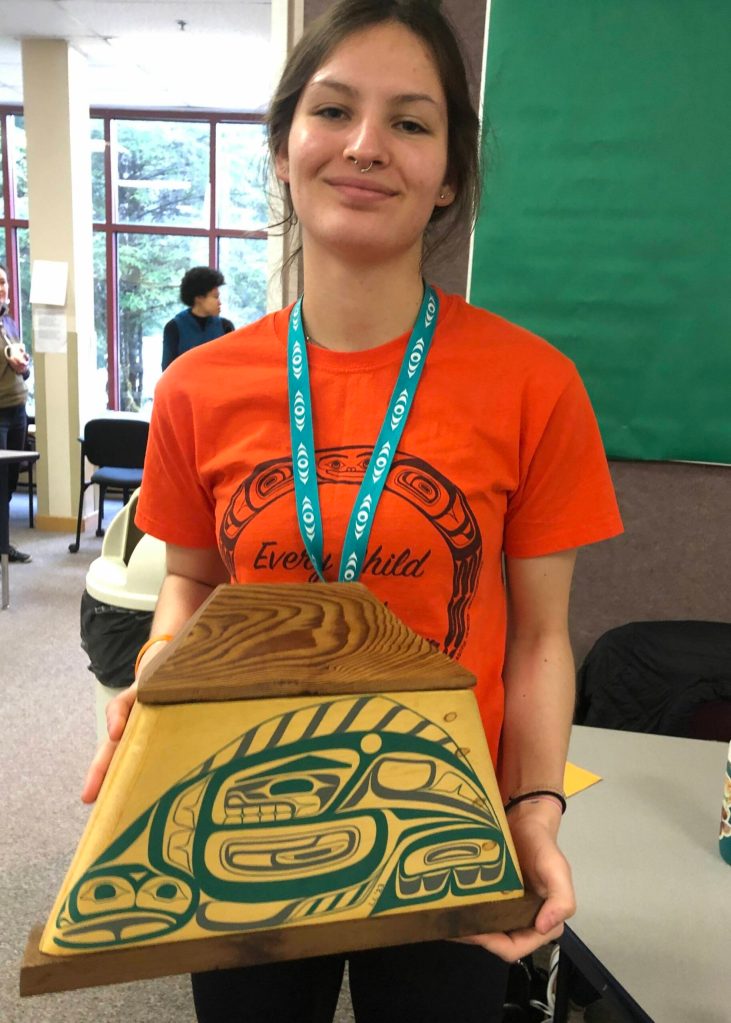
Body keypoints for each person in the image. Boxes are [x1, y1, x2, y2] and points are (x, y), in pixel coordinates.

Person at [83, 2, 623, 1020]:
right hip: (244, 807)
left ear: (449, 174)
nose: (367, 146)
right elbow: (193, 583)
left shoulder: (533, 385)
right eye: (333, 110)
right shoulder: (201, 386)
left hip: (442, 829)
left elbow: (543, 638)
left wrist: (533, 812)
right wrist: (160, 673)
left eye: (411, 123)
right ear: (284, 149)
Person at [0, 263, 32, 564]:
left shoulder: (8, 323)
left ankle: (3, 543)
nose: (3, 288)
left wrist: (23, 365)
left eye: (5, 282)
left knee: (10, 480)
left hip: (17, 407)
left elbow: (22, 364)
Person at [161, 266, 234, 370]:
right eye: (215, 297)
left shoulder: (225, 327)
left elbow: (232, 367)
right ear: (199, 297)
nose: (219, 302)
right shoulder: (174, 328)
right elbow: (168, 372)